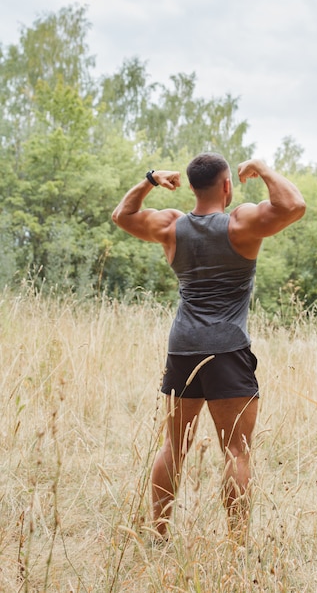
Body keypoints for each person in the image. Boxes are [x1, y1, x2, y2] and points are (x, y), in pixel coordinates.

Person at [112, 153, 305, 542]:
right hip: (228, 348)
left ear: (193, 186)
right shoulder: (241, 223)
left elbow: (122, 215)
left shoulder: (170, 225)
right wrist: (264, 169)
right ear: (227, 187)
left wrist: (150, 180)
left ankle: (159, 536)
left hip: (183, 346)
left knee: (173, 446)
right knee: (236, 451)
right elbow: (294, 205)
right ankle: (235, 546)